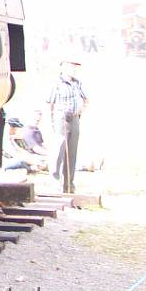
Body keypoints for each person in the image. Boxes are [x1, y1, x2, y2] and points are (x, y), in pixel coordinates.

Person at [44, 61, 88, 193]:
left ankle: (69, 184)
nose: (73, 70)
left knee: (72, 151)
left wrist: (81, 110)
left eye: (75, 68)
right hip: (61, 118)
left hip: (74, 117)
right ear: (64, 68)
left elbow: (86, 99)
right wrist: (51, 120)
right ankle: (55, 181)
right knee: (59, 149)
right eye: (71, 67)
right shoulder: (57, 83)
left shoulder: (77, 83)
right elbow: (49, 103)